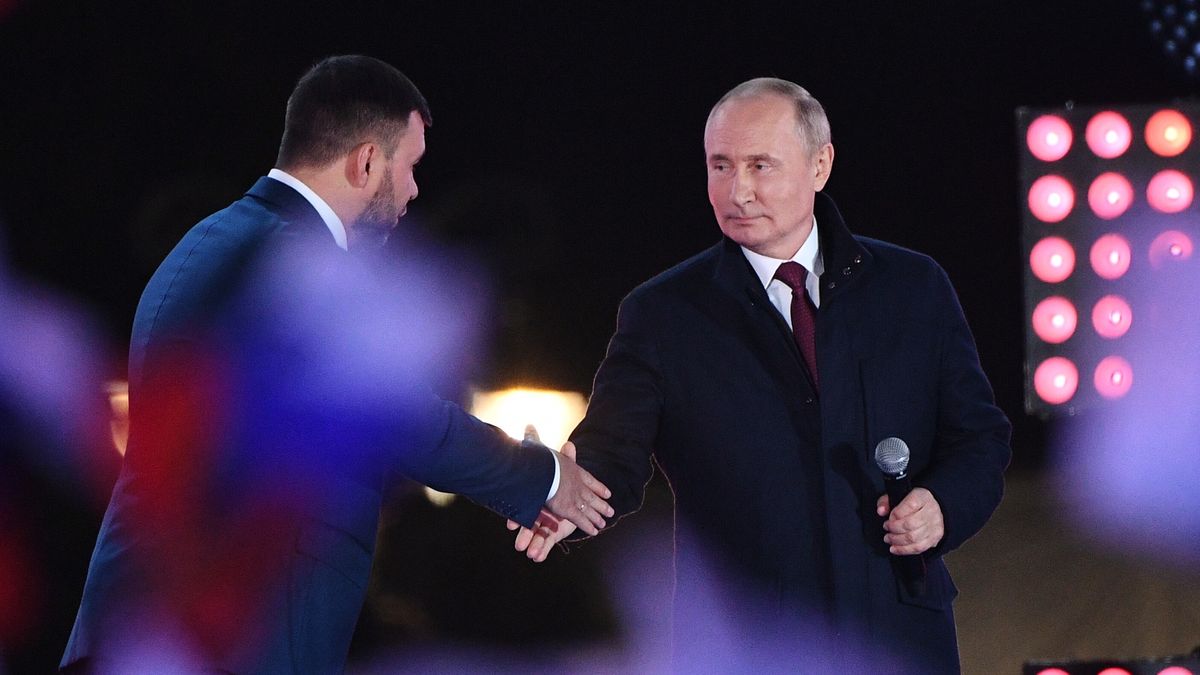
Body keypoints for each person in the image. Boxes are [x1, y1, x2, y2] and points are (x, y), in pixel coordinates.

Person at [61, 55, 613, 674]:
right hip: (239, 633)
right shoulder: (291, 264)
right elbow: (401, 417)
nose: (413, 191)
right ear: (367, 161)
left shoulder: (212, 242)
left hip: (149, 624)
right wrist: (540, 478)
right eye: (410, 167)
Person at [513, 78, 1011, 673]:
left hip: (897, 634)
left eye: (760, 166)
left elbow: (978, 441)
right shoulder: (665, 313)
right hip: (746, 643)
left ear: (820, 164)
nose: (738, 190)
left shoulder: (911, 288)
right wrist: (560, 491)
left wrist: (943, 506)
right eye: (720, 166)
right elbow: (612, 452)